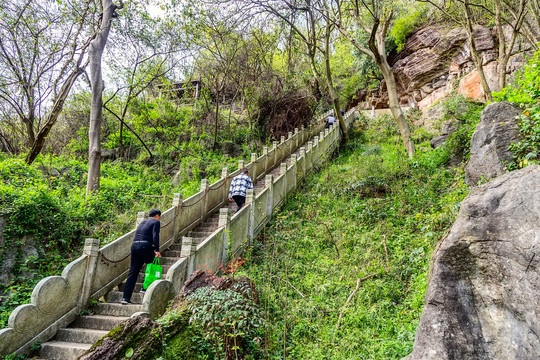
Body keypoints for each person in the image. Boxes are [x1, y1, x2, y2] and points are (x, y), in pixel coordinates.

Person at [122, 209, 162, 305]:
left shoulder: (142, 222)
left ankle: (125, 298)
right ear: (157, 216)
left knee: (133, 272)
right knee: (153, 265)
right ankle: (145, 287)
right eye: (160, 216)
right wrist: (157, 250)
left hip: (134, 246)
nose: (160, 218)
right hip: (145, 245)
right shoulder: (156, 222)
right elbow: (155, 236)